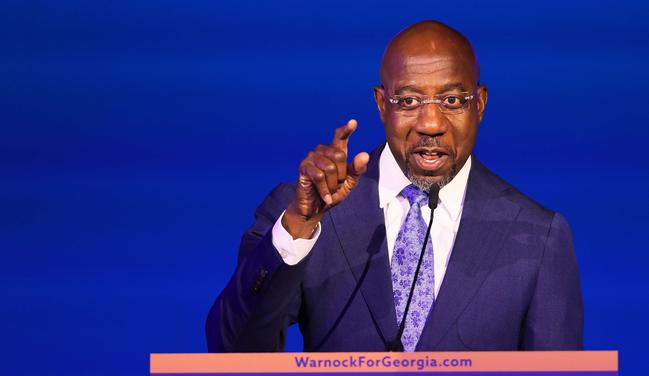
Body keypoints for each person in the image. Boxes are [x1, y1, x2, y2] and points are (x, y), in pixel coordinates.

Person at [206, 20, 583, 352]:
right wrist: (299, 228)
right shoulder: (307, 211)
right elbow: (233, 350)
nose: (430, 123)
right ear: (381, 104)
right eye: (409, 100)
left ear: (479, 104)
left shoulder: (539, 236)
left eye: (452, 100)